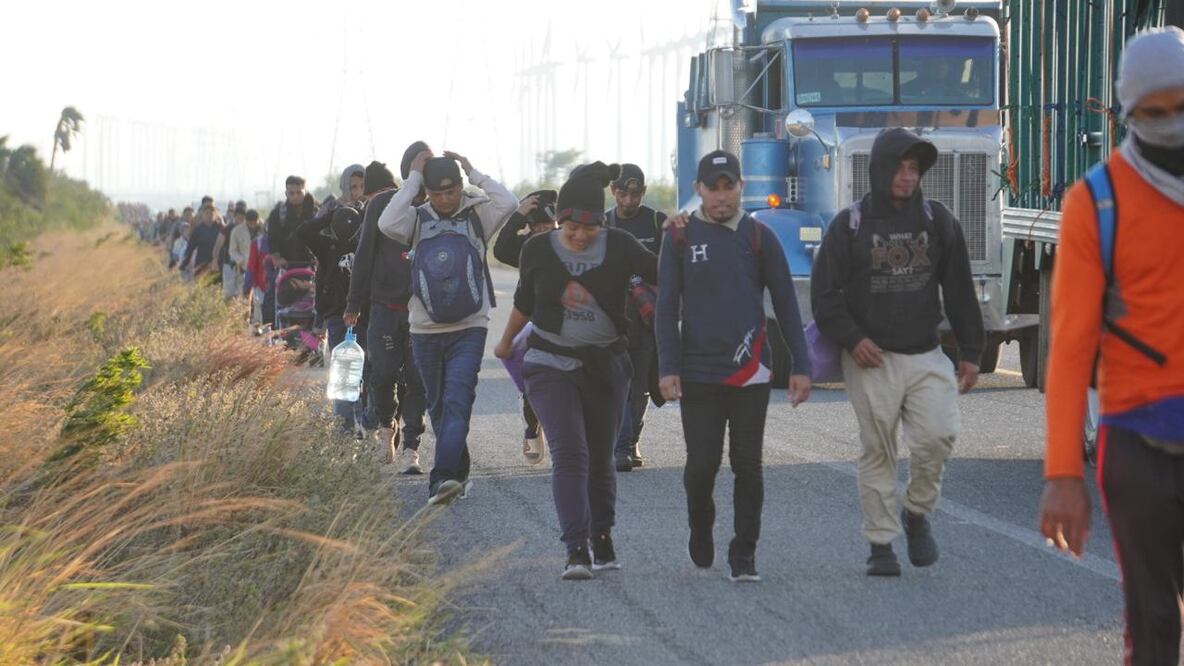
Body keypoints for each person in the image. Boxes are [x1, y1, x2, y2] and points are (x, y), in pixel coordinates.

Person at [1038, 27, 1184, 665]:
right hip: (1137, 444)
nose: (1171, 122)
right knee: (1154, 622)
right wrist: (1062, 476)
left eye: (1182, 105)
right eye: (1155, 112)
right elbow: (1070, 347)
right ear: (1128, 113)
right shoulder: (1096, 203)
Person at [811, 127, 984, 577]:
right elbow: (825, 296)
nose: (908, 176)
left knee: (938, 437)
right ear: (880, 169)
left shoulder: (937, 220)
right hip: (871, 359)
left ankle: (917, 513)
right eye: (900, 167)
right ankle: (881, 544)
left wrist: (972, 351)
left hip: (926, 354)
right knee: (879, 450)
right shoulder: (849, 225)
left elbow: (960, 289)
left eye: (914, 168)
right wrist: (854, 339)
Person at [494, 162, 657, 580]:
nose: (581, 236)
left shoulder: (620, 246)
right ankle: (576, 549)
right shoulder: (538, 250)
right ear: (559, 221)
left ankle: (601, 535)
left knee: (600, 459)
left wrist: (681, 240)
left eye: (590, 228)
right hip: (549, 363)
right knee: (570, 454)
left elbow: (665, 273)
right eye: (571, 228)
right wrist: (506, 341)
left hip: (605, 365)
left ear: (602, 223)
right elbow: (525, 303)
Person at [656, 150, 811, 583]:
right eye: (713, 187)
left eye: (729, 186)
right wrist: (667, 367)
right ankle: (700, 525)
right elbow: (666, 307)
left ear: (741, 187)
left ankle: (744, 553)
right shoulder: (679, 237)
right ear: (698, 190)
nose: (722, 196)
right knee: (701, 466)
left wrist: (801, 365)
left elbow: (786, 304)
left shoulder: (760, 237)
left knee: (748, 465)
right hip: (698, 372)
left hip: (751, 370)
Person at [377, 149, 517, 505]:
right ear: (427, 191)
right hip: (424, 329)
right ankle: (458, 473)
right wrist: (413, 178)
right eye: (436, 193)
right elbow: (386, 223)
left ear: (460, 186)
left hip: (470, 326)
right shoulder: (416, 220)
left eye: (451, 191)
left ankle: (441, 478)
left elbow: (509, 201)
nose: (444, 199)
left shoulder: (477, 215)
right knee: (439, 406)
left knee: (457, 401)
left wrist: (473, 171)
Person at [346, 152, 429, 472]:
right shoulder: (381, 204)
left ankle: (411, 446)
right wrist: (354, 303)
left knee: (418, 380)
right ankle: (385, 426)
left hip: (421, 312)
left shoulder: (436, 206)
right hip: (384, 308)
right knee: (382, 375)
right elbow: (364, 253)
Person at [605, 164, 667, 472]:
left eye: (635, 194)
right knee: (617, 384)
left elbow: (671, 268)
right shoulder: (603, 224)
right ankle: (621, 444)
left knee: (640, 386)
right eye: (622, 194)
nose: (629, 201)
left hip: (647, 320)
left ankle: (630, 441)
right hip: (612, 321)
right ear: (612, 191)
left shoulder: (657, 222)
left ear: (643, 192)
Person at [493, 189, 558, 465]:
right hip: (532, 323)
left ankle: (563, 440)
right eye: (535, 225)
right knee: (533, 382)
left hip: (567, 325)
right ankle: (532, 425)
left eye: (547, 224)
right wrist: (518, 215)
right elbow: (500, 249)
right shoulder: (526, 247)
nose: (541, 230)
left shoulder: (568, 242)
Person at [299, 205, 367, 433]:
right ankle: (345, 426)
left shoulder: (365, 245)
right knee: (344, 371)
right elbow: (303, 232)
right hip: (337, 316)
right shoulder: (327, 247)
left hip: (363, 315)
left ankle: (362, 423)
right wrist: (331, 215)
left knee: (360, 370)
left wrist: (363, 216)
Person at [265, 176, 317, 325]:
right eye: (291, 193)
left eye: (299, 192)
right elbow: (272, 240)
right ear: (286, 193)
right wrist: (276, 258)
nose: (295, 196)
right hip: (286, 268)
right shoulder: (278, 214)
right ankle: (273, 330)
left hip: (310, 268)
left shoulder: (315, 212)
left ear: (305, 191)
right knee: (273, 302)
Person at [182, 205, 223, 279]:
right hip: (201, 264)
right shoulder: (198, 230)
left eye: (211, 213)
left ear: (215, 215)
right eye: (207, 213)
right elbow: (190, 248)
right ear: (203, 215)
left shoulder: (220, 228)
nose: (209, 215)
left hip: (216, 265)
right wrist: (184, 263)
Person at [229, 203, 259, 301]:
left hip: (260, 268)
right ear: (246, 221)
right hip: (244, 268)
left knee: (258, 298)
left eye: (255, 222)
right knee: (244, 296)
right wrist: (241, 260)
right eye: (250, 223)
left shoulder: (263, 229)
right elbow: (232, 250)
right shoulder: (237, 231)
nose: (253, 225)